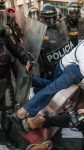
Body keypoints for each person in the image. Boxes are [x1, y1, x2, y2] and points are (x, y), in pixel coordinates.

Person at [11, 29, 84, 131]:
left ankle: (33, 83)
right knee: (52, 90)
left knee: (52, 86)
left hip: (71, 70)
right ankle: (24, 110)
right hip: (67, 70)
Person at [0, 2, 32, 149]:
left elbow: (17, 49)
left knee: (8, 110)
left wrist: (26, 60)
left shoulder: (5, 35)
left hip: (5, 81)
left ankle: (5, 137)